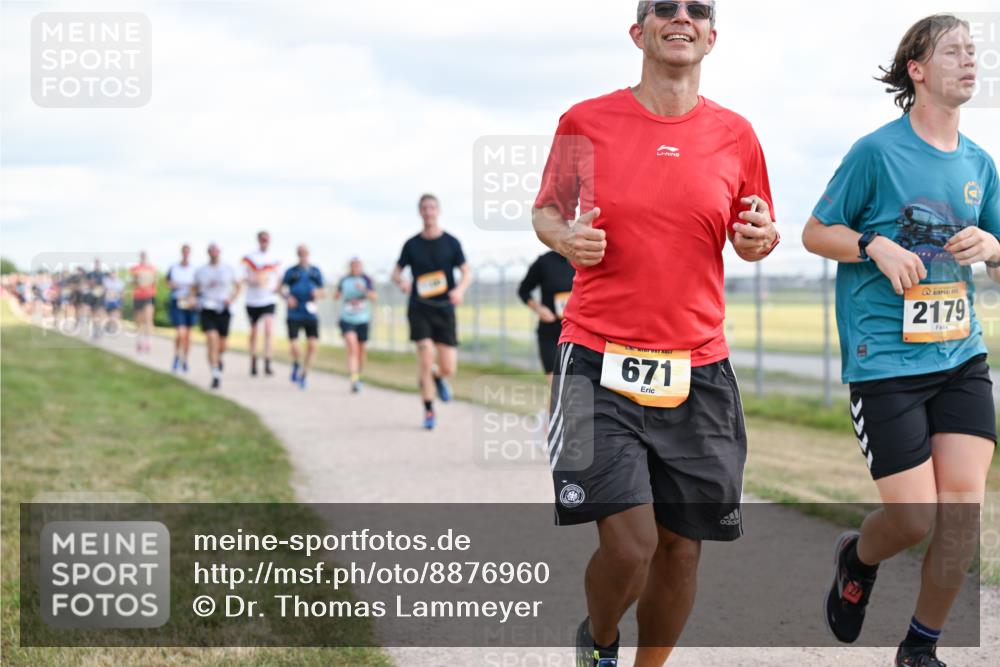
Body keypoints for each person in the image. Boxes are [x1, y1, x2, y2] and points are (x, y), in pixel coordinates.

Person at [532, 2, 780, 665]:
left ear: (711, 36)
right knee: (630, 543)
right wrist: (566, 237)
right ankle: (601, 640)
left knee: (681, 547)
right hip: (597, 360)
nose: (682, 16)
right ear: (638, 32)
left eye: (697, 10)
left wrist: (761, 239)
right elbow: (548, 210)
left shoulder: (737, 134)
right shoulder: (585, 121)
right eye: (663, 8)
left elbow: (754, 231)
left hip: (697, 370)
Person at [802, 15, 998, 667]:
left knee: (962, 516)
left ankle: (920, 648)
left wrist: (994, 245)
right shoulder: (876, 153)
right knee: (913, 519)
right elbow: (814, 231)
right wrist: (873, 244)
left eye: (974, 51)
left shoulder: (979, 163)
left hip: (960, 356)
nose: (970, 61)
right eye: (954, 51)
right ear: (917, 69)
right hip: (884, 363)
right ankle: (857, 557)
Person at [392, 194, 472, 430]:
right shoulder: (411, 244)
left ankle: (439, 378)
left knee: (449, 367)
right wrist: (402, 282)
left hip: (445, 309)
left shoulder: (451, 243)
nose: (428, 212)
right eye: (424, 208)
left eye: (432, 207)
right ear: (420, 212)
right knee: (426, 357)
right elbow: (395, 273)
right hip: (419, 308)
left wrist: (460, 290)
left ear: (438, 211)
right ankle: (428, 410)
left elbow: (466, 272)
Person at [518, 250, 576, 386]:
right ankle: (552, 408)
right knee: (555, 384)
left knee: (570, 387)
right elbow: (523, 290)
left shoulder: (587, 259)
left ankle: (551, 408)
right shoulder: (544, 261)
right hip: (550, 332)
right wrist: (539, 309)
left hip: (577, 333)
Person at [194, 243, 240, 390]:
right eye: (211, 251)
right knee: (211, 338)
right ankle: (215, 374)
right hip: (207, 308)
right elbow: (193, 288)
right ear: (208, 253)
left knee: (222, 345)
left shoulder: (228, 269)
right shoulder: (201, 270)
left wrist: (232, 299)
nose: (214, 253)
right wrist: (193, 299)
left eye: (216, 251)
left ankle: (218, 359)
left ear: (219, 252)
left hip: (224, 308)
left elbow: (239, 286)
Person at [280, 245, 324, 390]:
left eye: (305, 253)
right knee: (295, 347)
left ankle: (304, 374)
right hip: (294, 313)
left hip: (310, 313)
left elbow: (323, 290)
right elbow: (280, 288)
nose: (303, 256)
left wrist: (318, 293)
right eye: (301, 253)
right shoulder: (291, 272)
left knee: (312, 345)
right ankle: (296, 363)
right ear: (297, 255)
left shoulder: (315, 272)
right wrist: (287, 297)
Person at [242, 230, 281, 377]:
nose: (265, 242)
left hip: (268, 299)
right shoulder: (249, 258)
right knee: (254, 332)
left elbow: (279, 278)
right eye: (262, 239)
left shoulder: (275, 259)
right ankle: (253, 359)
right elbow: (242, 277)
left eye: (267, 240)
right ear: (258, 240)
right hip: (252, 300)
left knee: (269, 329)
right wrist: (254, 280)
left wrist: (277, 288)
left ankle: (268, 361)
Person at [336, 257, 377, 393]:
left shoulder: (366, 280)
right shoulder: (344, 280)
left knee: (361, 351)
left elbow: (374, 297)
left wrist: (364, 290)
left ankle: (359, 375)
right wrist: (338, 294)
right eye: (353, 266)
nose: (355, 269)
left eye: (358, 266)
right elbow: (336, 295)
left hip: (362, 319)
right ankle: (353, 378)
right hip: (347, 319)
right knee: (352, 347)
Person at [167, 244, 199, 373]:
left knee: (188, 335)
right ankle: (176, 356)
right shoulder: (174, 267)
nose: (186, 254)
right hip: (178, 301)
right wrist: (175, 285)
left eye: (188, 252)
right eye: (184, 252)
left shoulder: (195, 269)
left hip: (190, 303)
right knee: (181, 333)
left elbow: (198, 287)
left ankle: (185, 360)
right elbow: (168, 282)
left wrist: (193, 295)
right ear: (182, 253)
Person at [130, 251, 158, 353]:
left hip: (149, 296)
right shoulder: (135, 269)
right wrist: (137, 280)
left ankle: (148, 341)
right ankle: (139, 341)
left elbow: (155, 281)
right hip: (138, 296)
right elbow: (132, 282)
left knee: (148, 319)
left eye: (144, 256)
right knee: (139, 321)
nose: (143, 257)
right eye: (142, 256)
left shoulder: (152, 268)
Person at [103, 270, 125, 336]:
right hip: (107, 301)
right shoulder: (106, 281)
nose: (113, 275)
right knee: (108, 315)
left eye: (114, 274)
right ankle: (109, 326)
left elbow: (122, 293)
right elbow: (104, 291)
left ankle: (114, 328)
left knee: (115, 315)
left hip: (116, 301)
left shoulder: (120, 282)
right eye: (112, 274)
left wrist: (121, 301)